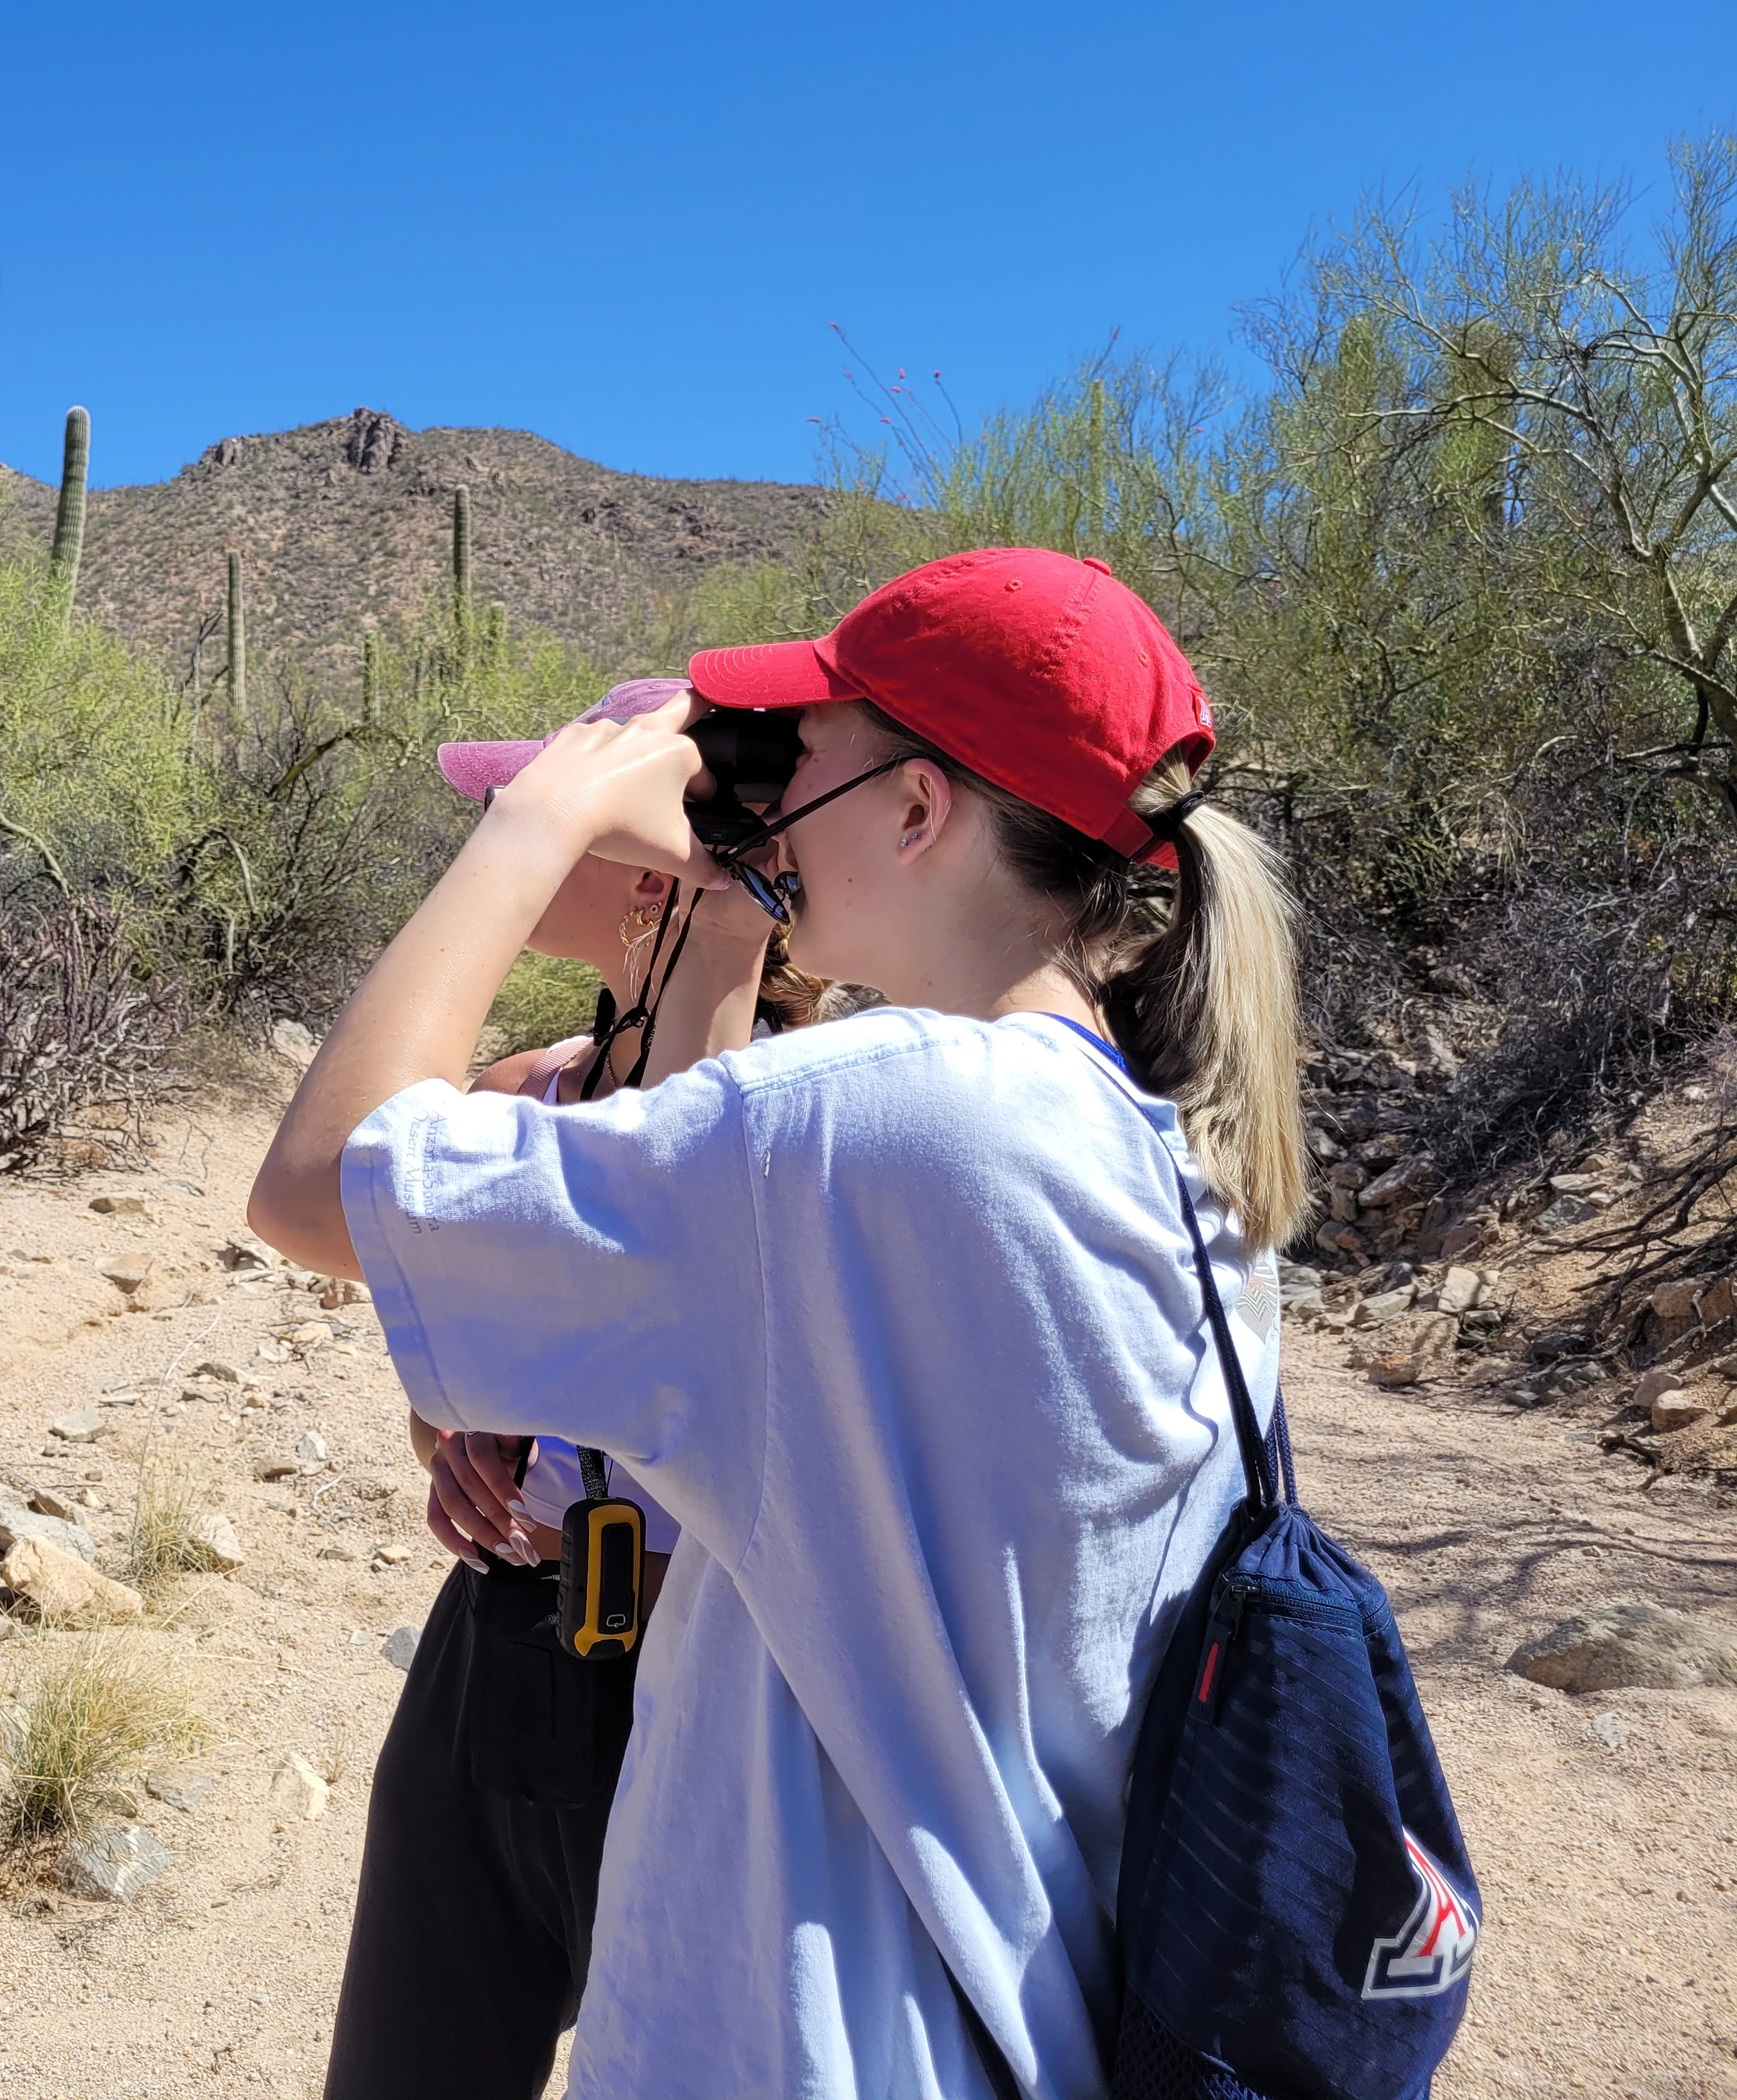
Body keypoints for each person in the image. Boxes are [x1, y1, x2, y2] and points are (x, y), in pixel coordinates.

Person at [251, 549, 1310, 2099]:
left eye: (807, 746)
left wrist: (537, 821)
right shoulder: (1176, 1155)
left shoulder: (846, 1135)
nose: (779, 785)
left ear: (918, 807)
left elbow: (309, 1185)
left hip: (805, 2041)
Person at [325, 681, 797, 2100]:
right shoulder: (536, 1086)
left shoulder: (802, 1117)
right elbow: (414, 1292)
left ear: (658, 878)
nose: (498, 821)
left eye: (555, 812)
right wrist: (449, 1425)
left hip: (703, 1669)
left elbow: (679, 1217)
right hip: (503, 1634)